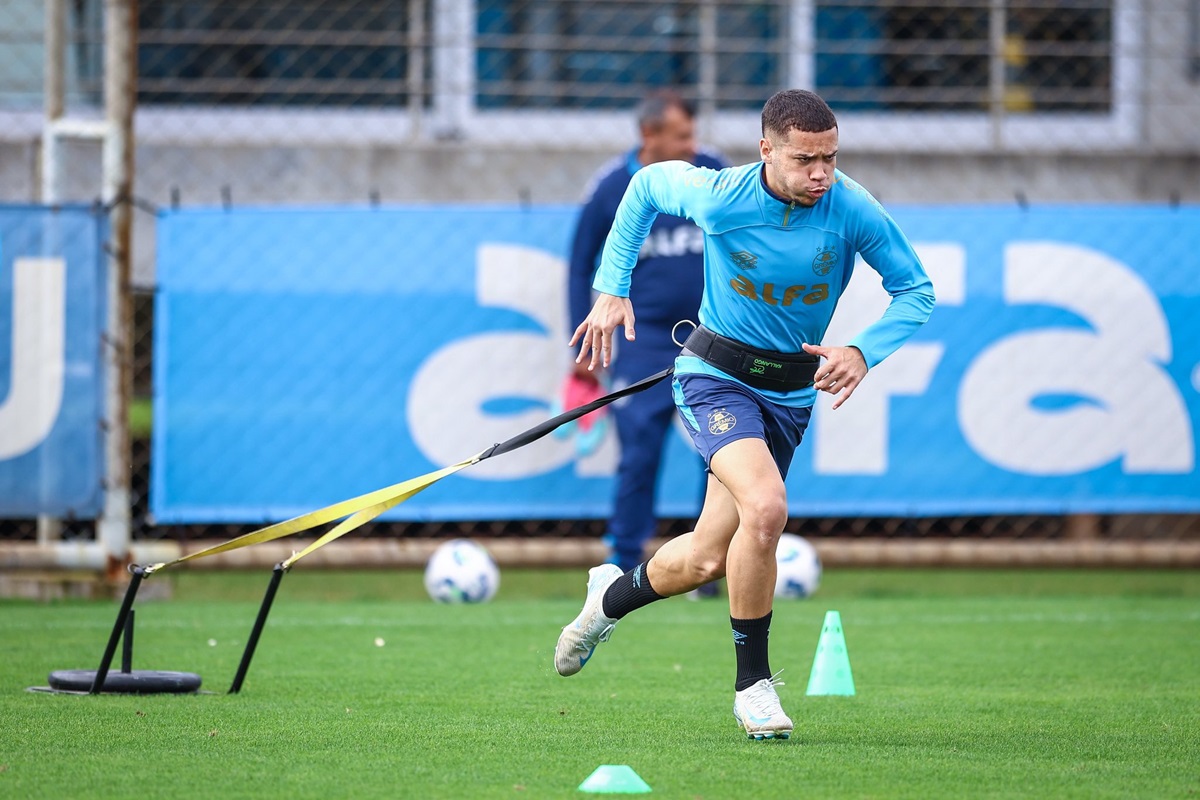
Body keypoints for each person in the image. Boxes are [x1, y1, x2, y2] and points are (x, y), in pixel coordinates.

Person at [554, 89, 935, 740]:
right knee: (766, 508)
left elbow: (915, 290)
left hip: (788, 394)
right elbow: (645, 186)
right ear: (767, 151)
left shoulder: (851, 209)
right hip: (714, 377)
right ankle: (753, 686)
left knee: (706, 557)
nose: (821, 173)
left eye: (831, 158)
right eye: (805, 159)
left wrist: (862, 350)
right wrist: (612, 286)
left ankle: (607, 601)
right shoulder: (722, 194)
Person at [566, 89, 726, 579]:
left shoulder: (713, 171)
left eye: (694, 133)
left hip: (712, 337)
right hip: (643, 340)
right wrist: (581, 345)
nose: (693, 145)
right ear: (649, 135)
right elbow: (578, 265)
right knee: (638, 453)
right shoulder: (613, 185)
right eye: (682, 135)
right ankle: (624, 560)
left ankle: (712, 559)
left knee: (722, 453)